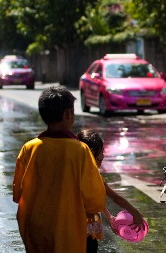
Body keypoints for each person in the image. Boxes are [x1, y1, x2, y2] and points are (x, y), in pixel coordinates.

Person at [12, 86, 106, 252]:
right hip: (67, 232)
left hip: (35, 230)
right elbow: (95, 200)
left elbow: (18, 194)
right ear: (68, 114)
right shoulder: (80, 150)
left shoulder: (28, 148)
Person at [77, 129, 145, 253]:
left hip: (77, 229)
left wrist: (109, 217)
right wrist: (134, 212)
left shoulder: (76, 171)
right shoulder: (91, 175)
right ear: (92, 152)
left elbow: (97, 197)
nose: (103, 156)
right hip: (84, 231)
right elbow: (115, 197)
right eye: (101, 152)